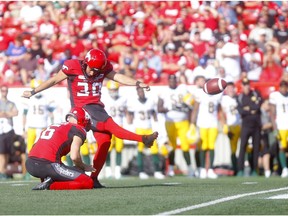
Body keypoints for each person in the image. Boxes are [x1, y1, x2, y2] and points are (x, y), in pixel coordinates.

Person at [22, 48, 158, 188]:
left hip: (96, 107)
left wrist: (137, 83)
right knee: (112, 127)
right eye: (92, 69)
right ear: (86, 62)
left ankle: (94, 179)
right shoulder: (72, 66)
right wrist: (33, 91)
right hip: (82, 109)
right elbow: (54, 80)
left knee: (105, 142)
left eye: (97, 71)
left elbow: (118, 77)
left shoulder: (103, 68)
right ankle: (143, 139)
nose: (93, 73)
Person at [25, 107, 95, 190]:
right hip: (47, 165)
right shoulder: (78, 129)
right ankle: (50, 186)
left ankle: (47, 180)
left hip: (30, 163)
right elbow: (74, 157)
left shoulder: (55, 125)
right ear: (84, 120)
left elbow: (36, 146)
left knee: (70, 169)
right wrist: (83, 166)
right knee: (87, 182)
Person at [157, 74, 195, 177]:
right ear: (168, 81)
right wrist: (168, 108)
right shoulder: (164, 92)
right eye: (171, 80)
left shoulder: (183, 89)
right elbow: (159, 108)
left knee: (185, 146)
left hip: (183, 122)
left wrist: (187, 105)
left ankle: (190, 169)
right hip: (170, 122)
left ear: (177, 80)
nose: (173, 81)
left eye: (174, 79)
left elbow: (192, 103)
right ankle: (170, 169)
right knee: (171, 147)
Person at [127, 86, 165, 179]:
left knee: (154, 148)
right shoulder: (133, 102)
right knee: (140, 149)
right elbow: (130, 115)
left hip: (149, 128)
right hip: (139, 129)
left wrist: (157, 124)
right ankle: (141, 171)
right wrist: (130, 125)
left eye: (142, 91)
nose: (141, 93)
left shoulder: (150, 101)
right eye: (139, 91)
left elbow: (154, 114)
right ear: (137, 93)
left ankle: (157, 171)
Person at [236, 78, 263, 177]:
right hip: (246, 125)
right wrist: (250, 110)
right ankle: (240, 170)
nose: (246, 86)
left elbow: (258, 106)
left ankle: (254, 169)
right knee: (242, 147)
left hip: (256, 125)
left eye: (247, 84)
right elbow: (241, 110)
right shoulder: (240, 97)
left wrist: (248, 108)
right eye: (244, 84)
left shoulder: (255, 93)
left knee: (256, 148)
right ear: (242, 86)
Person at [102, 80, 127, 179]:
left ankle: (117, 170)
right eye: (111, 90)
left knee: (119, 148)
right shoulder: (105, 100)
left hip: (120, 125)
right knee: (108, 148)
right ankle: (108, 170)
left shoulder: (123, 99)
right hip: (109, 127)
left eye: (115, 89)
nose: (113, 92)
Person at [220, 82, 242, 175]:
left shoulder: (238, 98)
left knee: (246, 147)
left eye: (232, 88)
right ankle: (236, 169)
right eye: (228, 88)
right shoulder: (224, 99)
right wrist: (224, 125)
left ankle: (243, 167)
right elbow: (221, 113)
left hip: (241, 125)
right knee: (233, 148)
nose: (231, 90)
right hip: (231, 126)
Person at [269, 80, 288, 178]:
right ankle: (284, 169)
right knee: (282, 147)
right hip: (281, 126)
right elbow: (272, 114)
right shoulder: (275, 96)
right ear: (279, 87)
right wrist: (275, 128)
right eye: (282, 87)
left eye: (286, 87)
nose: (284, 89)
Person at [0, 85, 19, 179]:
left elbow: (16, 112)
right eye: (3, 90)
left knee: (7, 152)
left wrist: (6, 113)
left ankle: (3, 170)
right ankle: (1, 171)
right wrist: (7, 113)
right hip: (1, 129)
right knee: (2, 152)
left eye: (5, 90)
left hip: (8, 129)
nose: (4, 92)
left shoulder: (11, 103)